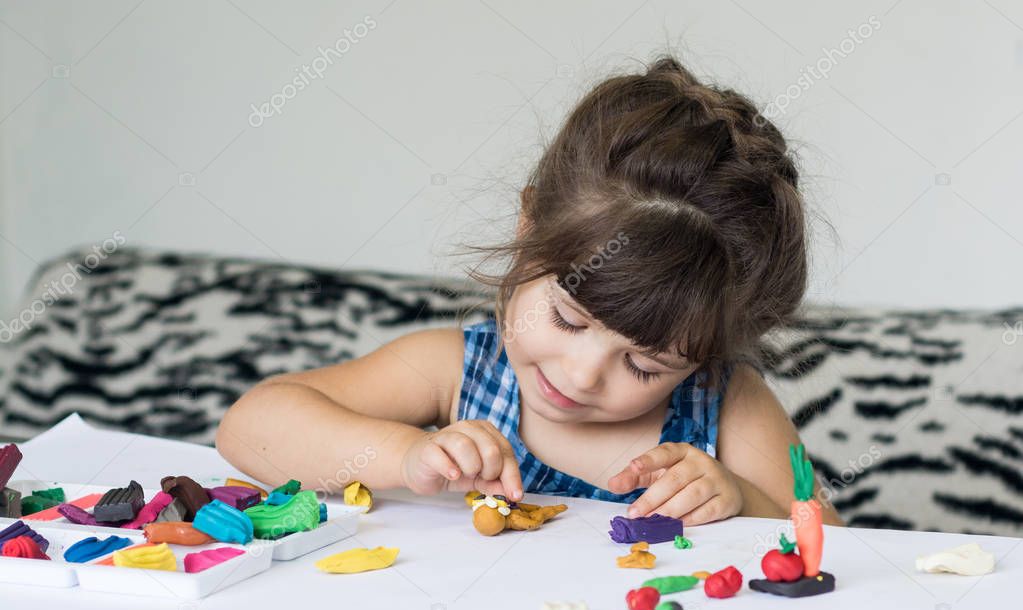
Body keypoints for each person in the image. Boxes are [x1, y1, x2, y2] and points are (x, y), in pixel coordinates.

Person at [216, 54, 843, 527]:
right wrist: (408, 455)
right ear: (527, 229)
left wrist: (742, 502)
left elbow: (835, 550)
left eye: (644, 364)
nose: (582, 375)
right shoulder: (456, 370)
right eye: (569, 318)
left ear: (703, 356)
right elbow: (249, 429)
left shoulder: (725, 406)